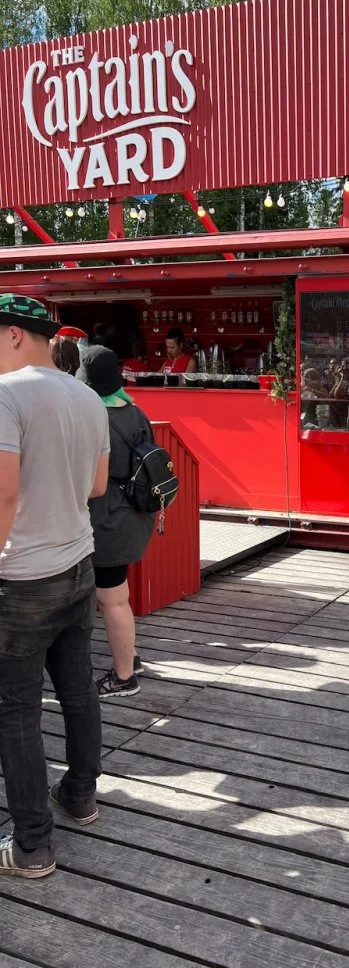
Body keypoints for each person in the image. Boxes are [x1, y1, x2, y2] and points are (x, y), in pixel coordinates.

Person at [0, 295, 109, 879]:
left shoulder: (6, 394)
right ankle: (81, 796)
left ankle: (33, 845)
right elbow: (96, 486)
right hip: (78, 563)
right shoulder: (87, 395)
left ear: (15, 334)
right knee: (78, 688)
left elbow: (4, 495)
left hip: (22, 576)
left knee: (16, 710)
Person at [77, 347, 157, 698]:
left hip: (107, 517)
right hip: (135, 513)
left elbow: (90, 478)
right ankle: (131, 658)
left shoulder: (95, 418)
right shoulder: (136, 412)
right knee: (118, 595)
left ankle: (124, 677)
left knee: (111, 599)